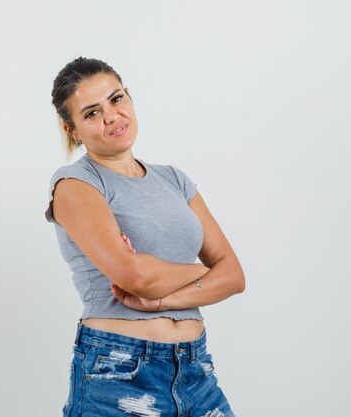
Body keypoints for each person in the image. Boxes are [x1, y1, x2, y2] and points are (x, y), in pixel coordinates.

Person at [45, 57, 245, 417]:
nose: (111, 116)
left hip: (195, 370)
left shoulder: (174, 179)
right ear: (71, 129)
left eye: (116, 99)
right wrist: (201, 270)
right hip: (118, 372)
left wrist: (161, 298)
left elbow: (234, 276)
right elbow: (135, 277)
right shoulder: (76, 184)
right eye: (91, 113)